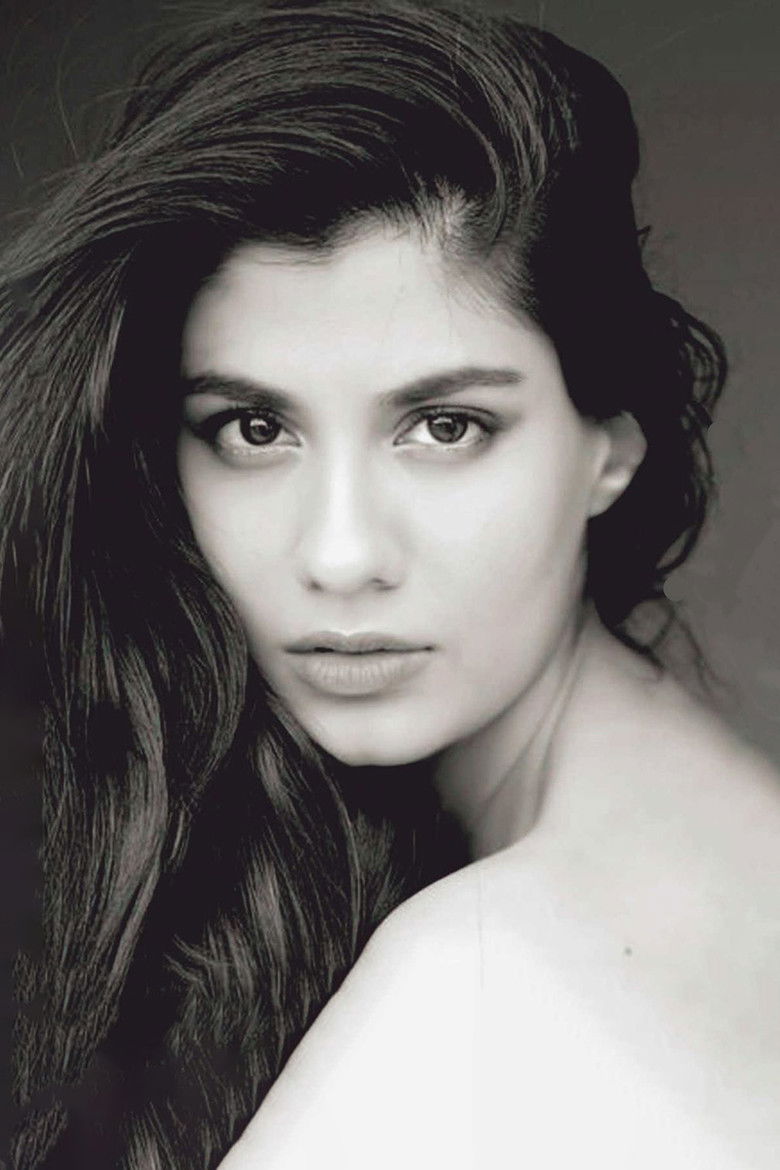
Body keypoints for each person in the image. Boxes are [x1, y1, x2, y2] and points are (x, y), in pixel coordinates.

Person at [3, 1, 779, 1167]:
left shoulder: (482, 987)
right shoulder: (714, 827)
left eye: (446, 426)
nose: (340, 553)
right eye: (255, 428)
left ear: (609, 449)